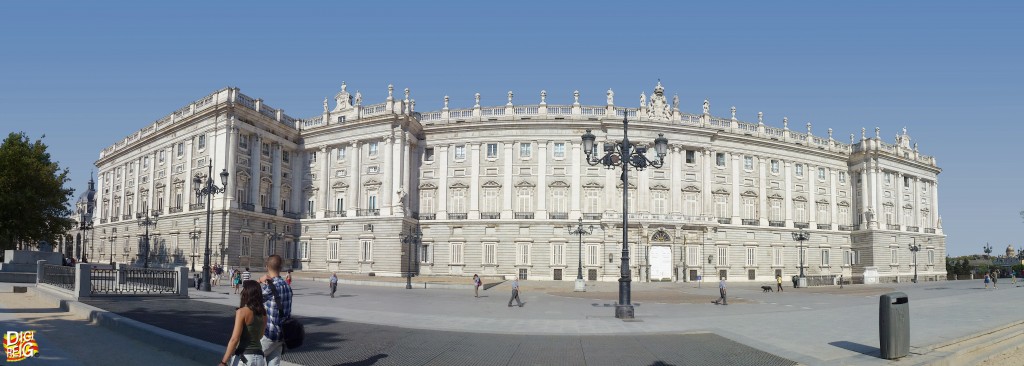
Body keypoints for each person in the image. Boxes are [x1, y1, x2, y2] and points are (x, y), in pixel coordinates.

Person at [220, 280, 267, 366]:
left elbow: (234, 339)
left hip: (244, 358)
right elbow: (260, 335)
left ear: (246, 293)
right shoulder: (263, 313)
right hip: (260, 358)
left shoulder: (242, 312)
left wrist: (223, 362)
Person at [259, 255, 293, 366]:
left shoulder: (269, 287)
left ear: (266, 267)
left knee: (243, 359)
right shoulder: (287, 286)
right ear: (281, 267)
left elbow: (246, 295)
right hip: (281, 335)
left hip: (269, 334)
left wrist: (259, 280)